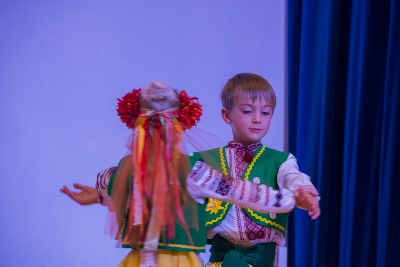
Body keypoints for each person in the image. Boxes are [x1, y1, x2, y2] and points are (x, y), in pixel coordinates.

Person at [61, 81, 304, 267]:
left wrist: (292, 197)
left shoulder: (185, 170)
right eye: (152, 128)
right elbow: (111, 184)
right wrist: (96, 196)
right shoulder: (139, 169)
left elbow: (239, 190)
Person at [184, 73, 320, 267]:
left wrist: (303, 191)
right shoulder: (206, 161)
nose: (257, 119)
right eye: (247, 111)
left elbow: (293, 177)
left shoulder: (279, 160)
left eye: (265, 113)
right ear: (226, 115)